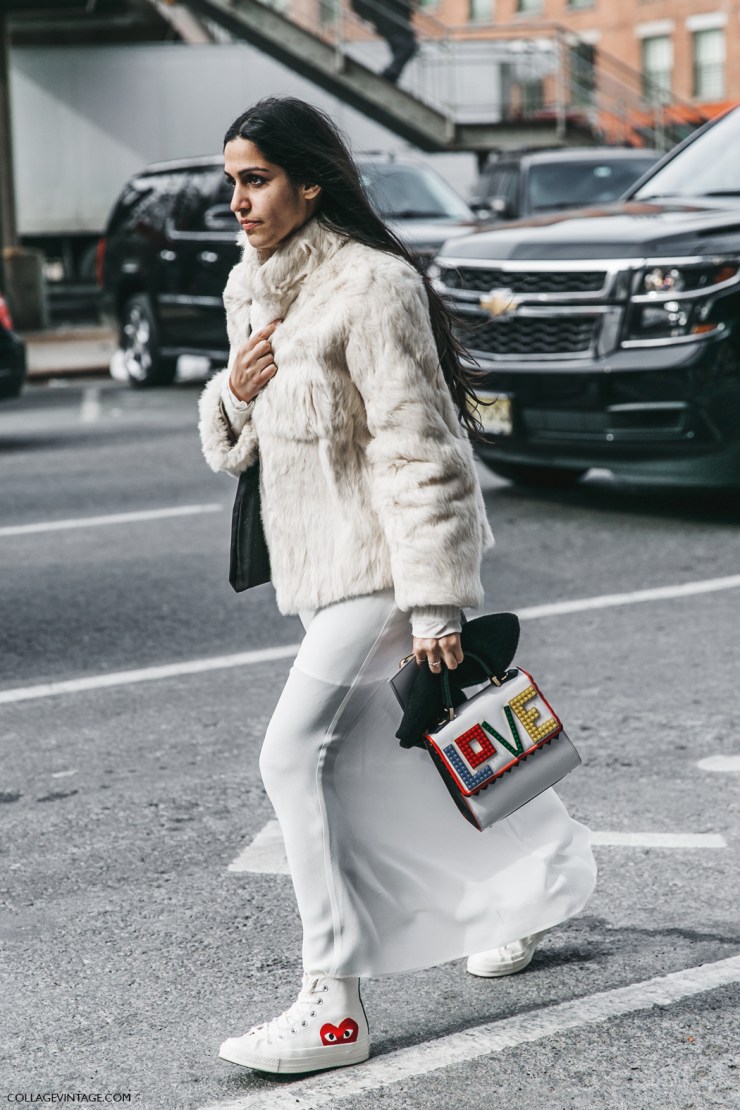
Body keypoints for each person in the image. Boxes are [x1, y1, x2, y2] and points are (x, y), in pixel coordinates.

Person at [198, 96, 596, 1077]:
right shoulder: (251, 287)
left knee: (291, 755)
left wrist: (432, 603)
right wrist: (231, 393)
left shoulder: (371, 287)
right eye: (230, 182)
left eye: (254, 179)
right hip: (322, 569)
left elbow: (423, 453)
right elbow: (239, 444)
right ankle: (535, 877)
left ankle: (331, 1004)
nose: (238, 201)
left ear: (309, 181)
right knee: (398, 756)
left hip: (378, 569)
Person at [349, 0, 418, 82]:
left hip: (395, 23)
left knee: (403, 49)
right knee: (408, 47)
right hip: (391, 23)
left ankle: (391, 76)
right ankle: (389, 75)